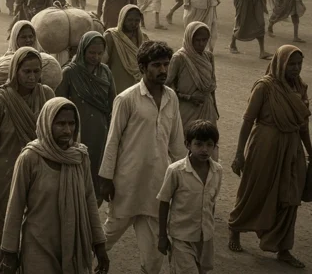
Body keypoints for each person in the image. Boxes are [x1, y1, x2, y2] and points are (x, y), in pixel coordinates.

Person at [99, 41, 186, 274]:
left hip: (157, 186)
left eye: (166, 64)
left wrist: (185, 176)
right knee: (105, 239)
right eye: (156, 65)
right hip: (127, 183)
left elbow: (177, 143)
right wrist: (106, 178)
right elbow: (113, 140)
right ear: (142, 67)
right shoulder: (126, 99)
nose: (163, 70)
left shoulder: (171, 98)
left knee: (154, 256)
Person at [0, 98, 110, 274]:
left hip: (73, 244)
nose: (67, 130)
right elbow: (15, 206)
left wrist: (99, 244)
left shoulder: (79, 157)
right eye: (60, 124)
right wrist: (9, 252)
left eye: (71, 123)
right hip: (38, 245)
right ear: (47, 123)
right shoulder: (30, 158)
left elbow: (89, 200)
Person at [228, 45, 310, 268]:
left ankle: (284, 248)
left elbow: (303, 126)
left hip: (292, 148)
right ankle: (235, 227)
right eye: (291, 64)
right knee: (255, 190)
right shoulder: (264, 87)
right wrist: (239, 154)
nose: (296, 68)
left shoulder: (300, 88)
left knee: (290, 197)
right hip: (265, 146)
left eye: (299, 64)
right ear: (280, 63)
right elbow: (248, 121)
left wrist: (310, 152)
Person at [0, 47, 54, 272]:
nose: (32, 77)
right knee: (5, 229)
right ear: (15, 71)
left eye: (36, 71)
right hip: (6, 176)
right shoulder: (0, 100)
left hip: (39, 175)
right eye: (26, 71)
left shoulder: (47, 96)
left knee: (36, 229)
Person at [157, 120, 222, 274]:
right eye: (198, 144)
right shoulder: (176, 171)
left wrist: (209, 228)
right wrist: (162, 236)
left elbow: (211, 203)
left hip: (205, 237)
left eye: (209, 145)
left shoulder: (217, 171)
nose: (204, 149)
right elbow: (164, 202)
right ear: (188, 144)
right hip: (182, 236)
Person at [56, 31, 116, 193]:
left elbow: (112, 102)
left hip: (100, 131)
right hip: (76, 131)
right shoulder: (69, 72)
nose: (96, 57)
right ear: (82, 50)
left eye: (100, 53)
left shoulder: (106, 72)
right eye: (92, 52)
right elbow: (58, 104)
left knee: (96, 168)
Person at [103, 5, 148, 93]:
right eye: (130, 20)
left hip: (137, 84)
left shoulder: (143, 38)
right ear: (122, 19)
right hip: (116, 82)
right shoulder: (111, 36)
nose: (133, 23)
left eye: (137, 20)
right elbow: (103, 62)